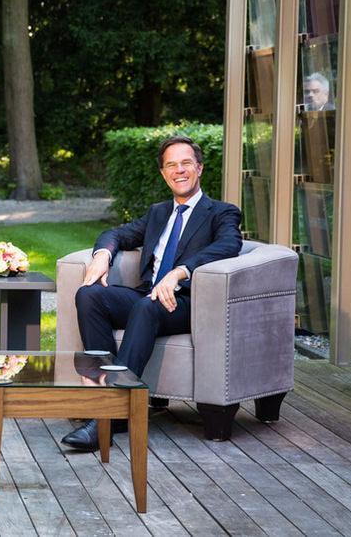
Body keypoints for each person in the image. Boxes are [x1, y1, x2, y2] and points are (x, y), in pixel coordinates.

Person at [61, 136, 243, 452]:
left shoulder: (221, 212)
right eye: (171, 165)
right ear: (163, 174)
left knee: (147, 306)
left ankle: (109, 414)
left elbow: (230, 244)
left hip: (186, 303)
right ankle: (105, 395)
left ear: (199, 168)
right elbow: (116, 233)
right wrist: (103, 254)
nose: (179, 170)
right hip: (148, 296)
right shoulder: (158, 213)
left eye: (186, 163)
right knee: (89, 294)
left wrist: (179, 272)